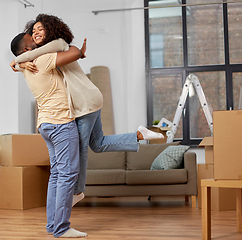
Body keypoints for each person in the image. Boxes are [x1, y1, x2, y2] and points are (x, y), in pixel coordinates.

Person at [10, 14, 164, 207]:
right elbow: (33, 58)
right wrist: (19, 64)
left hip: (84, 102)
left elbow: (64, 52)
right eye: (33, 32)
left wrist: (17, 61)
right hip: (90, 98)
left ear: (51, 30)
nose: (35, 34)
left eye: (40, 30)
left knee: (81, 148)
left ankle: (77, 191)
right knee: (97, 144)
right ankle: (139, 135)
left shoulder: (56, 45)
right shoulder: (44, 55)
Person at [16, 40, 88, 237]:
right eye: (33, 41)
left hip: (46, 123)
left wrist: (18, 62)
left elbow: (17, 64)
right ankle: (61, 228)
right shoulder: (43, 59)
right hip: (61, 122)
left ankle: (52, 226)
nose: (39, 43)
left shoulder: (25, 68)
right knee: (67, 174)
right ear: (26, 50)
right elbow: (73, 52)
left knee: (57, 175)